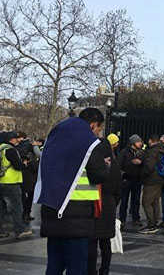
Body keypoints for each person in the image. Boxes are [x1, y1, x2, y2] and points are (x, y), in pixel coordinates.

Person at [39, 108, 111, 275]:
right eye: (99, 129)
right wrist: (106, 165)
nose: (98, 133)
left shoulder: (55, 139)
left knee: (54, 265)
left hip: (52, 208)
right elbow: (98, 174)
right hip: (77, 215)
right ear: (93, 125)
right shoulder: (88, 142)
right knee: (77, 267)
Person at [88, 137, 122, 275]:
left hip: (95, 203)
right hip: (109, 205)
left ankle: (91, 270)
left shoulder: (93, 163)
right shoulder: (114, 164)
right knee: (105, 243)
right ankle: (105, 270)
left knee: (91, 243)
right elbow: (119, 189)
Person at [0, 131, 32, 238]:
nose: (18, 140)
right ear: (11, 139)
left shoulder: (1, 148)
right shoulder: (10, 150)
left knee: (2, 208)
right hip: (11, 182)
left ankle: (1, 231)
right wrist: (24, 164)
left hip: (1, 181)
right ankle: (20, 230)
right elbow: (17, 166)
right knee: (17, 207)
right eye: (16, 138)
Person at [139, 134, 164, 234]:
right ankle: (155, 222)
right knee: (155, 202)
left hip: (151, 179)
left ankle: (151, 225)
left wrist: (142, 174)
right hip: (161, 178)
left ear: (150, 140)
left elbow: (149, 166)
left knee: (146, 202)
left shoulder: (153, 151)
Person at [117, 135, 144, 229]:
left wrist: (141, 163)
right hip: (127, 179)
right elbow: (119, 165)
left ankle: (136, 218)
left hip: (137, 180)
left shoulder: (141, 152)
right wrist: (131, 163)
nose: (140, 143)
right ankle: (122, 219)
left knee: (136, 200)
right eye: (138, 142)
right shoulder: (124, 152)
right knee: (124, 200)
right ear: (133, 143)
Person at [16, 132, 41, 223]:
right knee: (30, 195)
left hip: (20, 173)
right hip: (30, 174)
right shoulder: (31, 145)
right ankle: (27, 213)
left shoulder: (16, 146)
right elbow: (39, 155)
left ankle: (22, 213)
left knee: (22, 195)